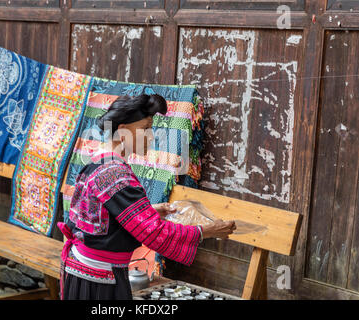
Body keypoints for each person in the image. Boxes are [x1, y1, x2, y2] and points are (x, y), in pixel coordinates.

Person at [57, 94, 236, 300]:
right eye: (146, 129)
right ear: (123, 131)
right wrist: (208, 231)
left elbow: (103, 218)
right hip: (99, 282)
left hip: (85, 272)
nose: (151, 136)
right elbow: (153, 232)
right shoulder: (116, 174)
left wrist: (150, 211)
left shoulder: (98, 162)